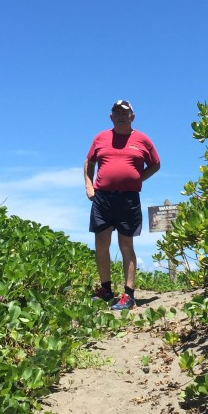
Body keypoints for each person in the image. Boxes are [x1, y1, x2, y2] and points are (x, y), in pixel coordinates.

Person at [84, 99, 160, 310]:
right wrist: (88, 185)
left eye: (124, 112)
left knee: (126, 245)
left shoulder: (143, 140)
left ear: (132, 116)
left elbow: (156, 164)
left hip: (128, 199)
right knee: (101, 243)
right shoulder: (101, 137)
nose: (120, 115)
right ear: (111, 117)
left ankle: (128, 295)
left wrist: (137, 179)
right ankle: (106, 290)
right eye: (116, 112)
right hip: (103, 198)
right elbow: (89, 161)